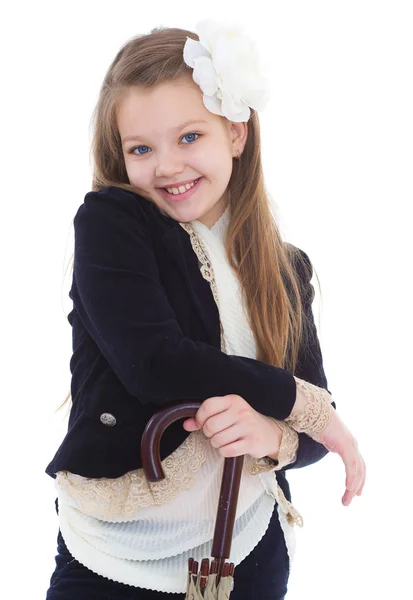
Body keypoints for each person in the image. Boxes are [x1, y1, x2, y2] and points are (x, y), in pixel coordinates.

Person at [45, 19, 366, 600]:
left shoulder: (284, 267)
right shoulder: (113, 225)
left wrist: (271, 430)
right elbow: (154, 363)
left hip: (245, 553)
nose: (166, 166)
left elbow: (309, 437)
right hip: (113, 561)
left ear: (236, 134)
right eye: (141, 148)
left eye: (189, 137)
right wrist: (302, 406)